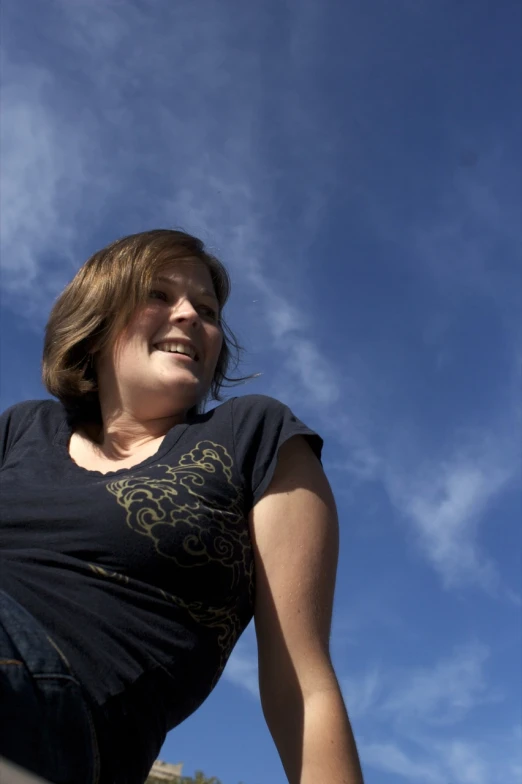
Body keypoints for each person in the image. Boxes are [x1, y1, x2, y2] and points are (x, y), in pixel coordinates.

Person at [0, 230, 364, 784]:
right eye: (159, 295)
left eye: (208, 309)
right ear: (96, 321)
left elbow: (302, 686)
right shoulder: (22, 430)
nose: (191, 315)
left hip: (61, 709)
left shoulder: (252, 434)